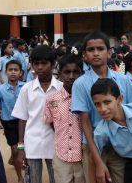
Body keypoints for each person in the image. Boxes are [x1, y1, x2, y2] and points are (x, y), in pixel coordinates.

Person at [71, 32, 132, 183]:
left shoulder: (123, 80)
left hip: (121, 145)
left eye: (100, 49)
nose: (96, 53)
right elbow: (85, 123)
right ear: (84, 55)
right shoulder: (80, 84)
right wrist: (98, 161)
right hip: (94, 147)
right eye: (91, 50)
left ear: (109, 53)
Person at [12, 45, 63, 183]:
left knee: (57, 178)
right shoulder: (27, 89)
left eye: (44, 63)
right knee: (33, 179)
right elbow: (22, 119)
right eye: (36, 63)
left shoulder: (61, 88)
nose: (40, 67)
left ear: (53, 64)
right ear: (32, 65)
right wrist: (21, 147)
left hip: (56, 144)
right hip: (31, 143)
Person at [45, 54, 85, 183]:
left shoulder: (87, 98)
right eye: (67, 72)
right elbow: (52, 123)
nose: (71, 76)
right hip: (61, 155)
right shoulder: (51, 100)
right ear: (60, 74)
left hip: (83, 155)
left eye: (75, 72)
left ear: (82, 73)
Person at [0, 60, 25, 183]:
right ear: (5, 72)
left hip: (24, 122)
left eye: (16, 70)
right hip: (9, 123)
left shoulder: (25, 87)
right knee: (16, 150)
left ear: (20, 73)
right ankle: (20, 177)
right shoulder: (0, 90)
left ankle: (23, 169)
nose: (13, 72)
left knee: (23, 149)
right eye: (10, 70)